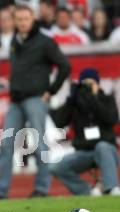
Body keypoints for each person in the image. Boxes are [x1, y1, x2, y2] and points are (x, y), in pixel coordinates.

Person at [0, 4, 70, 200]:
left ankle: (42, 188)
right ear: (15, 21)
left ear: (33, 19)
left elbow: (65, 66)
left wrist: (51, 91)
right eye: (19, 19)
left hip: (36, 98)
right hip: (16, 100)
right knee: (6, 144)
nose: (22, 22)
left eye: (25, 19)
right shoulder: (15, 40)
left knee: (39, 145)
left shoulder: (45, 42)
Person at [49, 68, 120, 196]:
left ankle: (112, 188)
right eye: (84, 84)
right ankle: (88, 192)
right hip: (85, 152)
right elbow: (59, 122)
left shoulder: (107, 99)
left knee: (102, 146)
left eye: (90, 84)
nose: (87, 87)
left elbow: (111, 119)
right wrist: (71, 98)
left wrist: (95, 97)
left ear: (98, 84)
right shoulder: (76, 103)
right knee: (56, 167)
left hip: (107, 151)